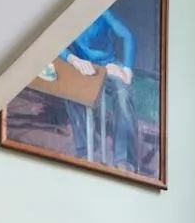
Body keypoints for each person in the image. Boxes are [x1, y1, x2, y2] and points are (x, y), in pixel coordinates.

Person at [59, 9, 138, 172]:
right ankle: (84, 150)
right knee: (69, 91)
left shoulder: (104, 12)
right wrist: (73, 59)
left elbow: (128, 36)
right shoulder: (68, 13)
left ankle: (124, 159)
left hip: (109, 66)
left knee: (123, 93)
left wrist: (128, 69)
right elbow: (54, 41)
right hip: (83, 66)